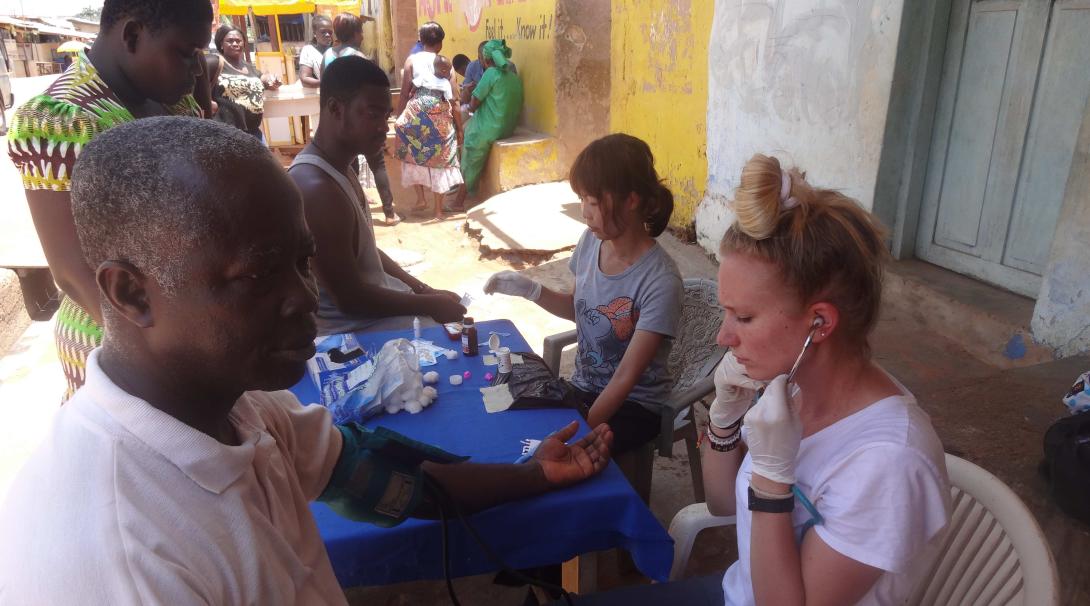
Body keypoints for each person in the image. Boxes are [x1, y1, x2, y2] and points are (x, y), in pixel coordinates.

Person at [0, 116, 613, 603]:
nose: (304, 296)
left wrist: (535, 476)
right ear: (133, 293)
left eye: (303, 260)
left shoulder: (244, 410)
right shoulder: (125, 559)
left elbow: (383, 479)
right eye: (260, 273)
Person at [571, 155, 953, 605]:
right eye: (726, 311)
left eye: (745, 317)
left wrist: (773, 481)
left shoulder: (888, 463)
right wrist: (725, 417)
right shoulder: (790, 386)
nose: (723, 336)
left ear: (819, 324)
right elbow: (721, 504)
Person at [5, 0, 211, 401]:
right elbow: (73, 272)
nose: (197, 69)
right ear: (133, 35)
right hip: (115, 344)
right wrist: (163, 352)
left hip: (186, 327)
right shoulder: (62, 120)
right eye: (186, 54)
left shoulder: (173, 103)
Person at [484, 134, 682, 456]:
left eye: (592, 202)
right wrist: (531, 290)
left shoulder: (660, 281)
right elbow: (578, 309)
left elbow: (626, 378)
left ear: (631, 200)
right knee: (509, 412)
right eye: (582, 201)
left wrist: (580, 431)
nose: (584, 213)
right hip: (585, 387)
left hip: (635, 405)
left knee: (561, 457)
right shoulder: (591, 242)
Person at [289, 56, 469, 335]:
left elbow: (366, 252)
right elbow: (350, 300)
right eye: (373, 115)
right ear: (336, 109)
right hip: (349, 333)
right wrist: (429, 305)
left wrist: (423, 290)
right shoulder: (316, 188)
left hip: (371, 315)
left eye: (385, 117)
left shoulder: (339, 168)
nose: (384, 127)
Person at [321, 13, 401, 225]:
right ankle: (389, 212)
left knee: (348, 166)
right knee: (378, 164)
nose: (363, 37)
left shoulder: (327, 55)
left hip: (337, 120)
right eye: (361, 32)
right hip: (359, 121)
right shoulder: (360, 58)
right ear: (356, 34)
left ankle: (354, 211)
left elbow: (324, 85)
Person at [394, 22, 465, 219]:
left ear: (421, 40)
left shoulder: (411, 61)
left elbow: (404, 93)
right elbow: (455, 100)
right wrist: (459, 129)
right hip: (439, 114)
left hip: (416, 111)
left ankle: (420, 198)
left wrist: (400, 117)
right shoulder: (445, 63)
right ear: (440, 43)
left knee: (412, 150)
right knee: (441, 157)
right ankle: (438, 210)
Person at [460, 39, 523, 198]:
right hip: (507, 127)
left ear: (485, 59)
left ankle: (458, 200)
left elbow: (473, 104)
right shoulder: (513, 75)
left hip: (490, 127)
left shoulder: (491, 73)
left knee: (470, 145)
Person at [214, 25, 280, 141]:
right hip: (225, 134)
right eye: (230, 41)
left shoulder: (249, 68)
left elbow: (261, 77)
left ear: (244, 43)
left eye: (238, 41)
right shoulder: (215, 63)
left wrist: (271, 79)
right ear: (221, 44)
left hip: (253, 133)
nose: (235, 44)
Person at [298, 14, 333, 88]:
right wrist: (327, 84)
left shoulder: (336, 51)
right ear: (314, 33)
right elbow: (305, 79)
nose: (327, 35)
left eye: (330, 32)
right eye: (323, 32)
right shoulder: (309, 50)